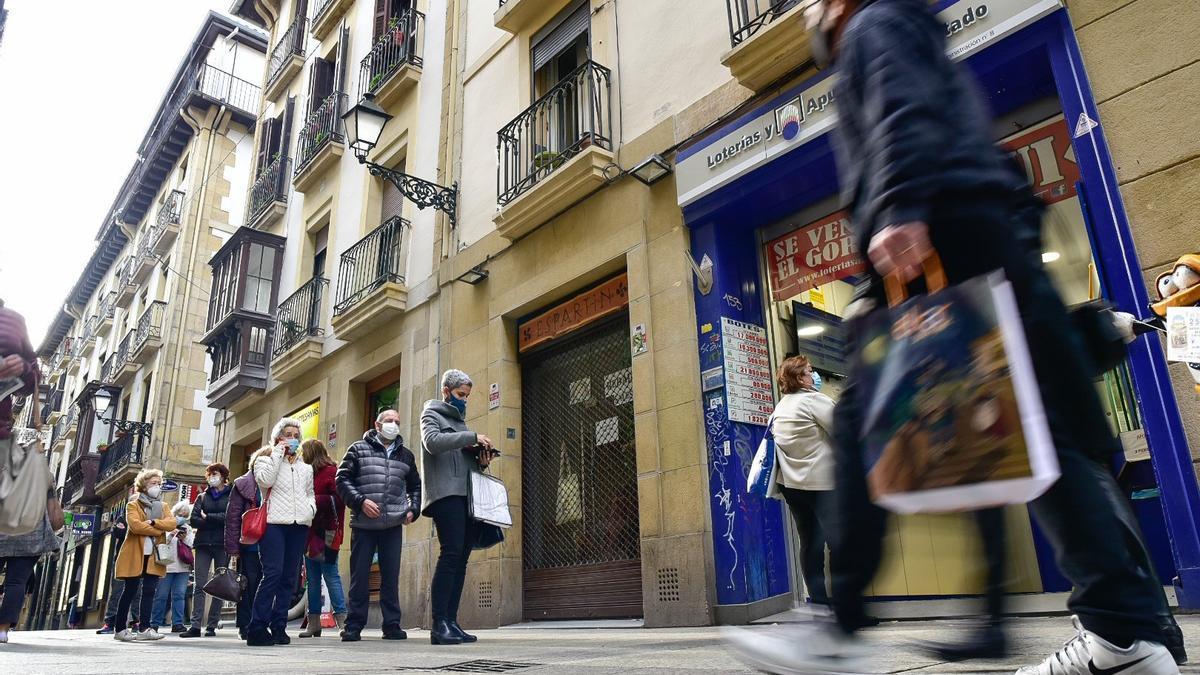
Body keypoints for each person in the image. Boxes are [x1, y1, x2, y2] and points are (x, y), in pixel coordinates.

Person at [728, 1, 1185, 673]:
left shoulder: (875, 25)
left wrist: (899, 206)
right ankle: (1129, 634)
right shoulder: (906, 25)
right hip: (974, 227)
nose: (808, 17)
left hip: (938, 237)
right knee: (1037, 436)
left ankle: (839, 627)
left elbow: (899, 109)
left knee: (866, 415)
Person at [421, 369, 496, 646]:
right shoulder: (431, 414)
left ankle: (451, 621)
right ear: (446, 391)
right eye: (460, 394)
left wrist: (482, 460)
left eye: (467, 396)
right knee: (451, 554)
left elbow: (462, 457)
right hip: (445, 495)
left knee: (461, 558)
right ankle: (439, 624)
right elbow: (433, 442)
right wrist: (471, 437)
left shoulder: (461, 424)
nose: (464, 400)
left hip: (466, 494)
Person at [0, 300, 59, 645]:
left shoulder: (12, 322)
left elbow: (31, 373)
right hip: (27, 526)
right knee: (18, 579)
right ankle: (4, 628)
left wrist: (22, 368)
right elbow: (33, 374)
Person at [335, 410, 421, 642]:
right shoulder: (357, 449)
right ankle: (353, 625)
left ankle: (392, 625)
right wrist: (361, 502)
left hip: (393, 523)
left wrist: (413, 508)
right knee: (359, 576)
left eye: (397, 422)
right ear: (377, 424)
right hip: (364, 524)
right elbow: (342, 479)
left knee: (390, 576)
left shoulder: (406, 456)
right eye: (389, 421)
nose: (393, 425)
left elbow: (414, 486)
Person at [771, 356, 836, 607]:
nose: (814, 375)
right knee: (838, 540)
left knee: (809, 542)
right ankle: (847, 605)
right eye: (810, 371)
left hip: (792, 486)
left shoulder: (781, 407)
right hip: (822, 483)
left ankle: (819, 602)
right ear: (799, 378)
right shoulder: (813, 401)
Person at [246, 417, 315, 646]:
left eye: (296, 436)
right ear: (278, 437)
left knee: (289, 579)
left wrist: (310, 510)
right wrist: (277, 453)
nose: (293, 440)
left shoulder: (306, 468)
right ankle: (257, 627)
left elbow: (310, 493)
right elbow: (265, 481)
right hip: (274, 523)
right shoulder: (264, 461)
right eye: (288, 435)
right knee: (272, 575)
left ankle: (279, 627)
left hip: (299, 525)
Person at [112, 469, 188, 642]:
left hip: (154, 555)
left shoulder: (163, 506)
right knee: (130, 591)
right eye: (153, 483)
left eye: (159, 483)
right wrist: (159, 529)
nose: (157, 486)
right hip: (135, 554)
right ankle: (120, 629)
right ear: (144, 485)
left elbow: (172, 523)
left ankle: (145, 628)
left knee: (149, 591)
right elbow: (136, 526)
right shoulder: (133, 505)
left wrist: (154, 522)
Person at [298, 439, 347, 638]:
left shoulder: (330, 471)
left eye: (304, 452)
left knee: (331, 575)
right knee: (312, 579)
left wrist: (315, 500)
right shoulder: (306, 473)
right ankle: (313, 623)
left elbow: (340, 500)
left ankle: (343, 621)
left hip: (325, 533)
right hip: (310, 534)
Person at [182, 463, 231, 638]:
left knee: (219, 586)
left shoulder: (231, 495)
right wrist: (212, 520)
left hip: (221, 544)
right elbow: (194, 520)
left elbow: (229, 517)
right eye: (209, 474)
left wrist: (208, 517)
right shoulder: (202, 497)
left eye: (215, 474)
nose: (212, 477)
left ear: (223, 476)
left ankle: (211, 625)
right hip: (203, 543)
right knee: (200, 585)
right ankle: (195, 625)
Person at [226, 447, 270, 641]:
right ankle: (245, 624)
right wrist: (233, 548)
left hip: (270, 543)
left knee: (266, 585)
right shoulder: (243, 484)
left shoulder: (275, 482)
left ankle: (261, 623)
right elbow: (233, 516)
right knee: (248, 586)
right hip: (250, 544)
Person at [149, 501, 195, 633]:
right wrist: (170, 534)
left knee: (179, 595)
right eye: (180, 514)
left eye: (185, 515)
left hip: (183, 567)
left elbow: (191, 544)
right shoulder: (165, 525)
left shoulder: (187, 528)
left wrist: (184, 538)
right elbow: (160, 544)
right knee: (161, 595)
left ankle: (177, 623)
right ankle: (155, 622)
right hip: (166, 566)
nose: (182, 517)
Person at [97, 510, 135, 634]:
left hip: (139, 560)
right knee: (117, 592)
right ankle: (110, 622)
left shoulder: (148, 517)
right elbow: (118, 532)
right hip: (122, 559)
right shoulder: (122, 519)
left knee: (138, 592)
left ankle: (137, 621)